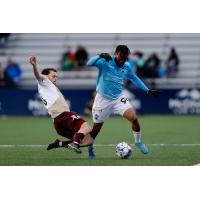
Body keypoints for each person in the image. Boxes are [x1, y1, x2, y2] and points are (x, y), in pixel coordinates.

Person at [70, 45, 160, 155]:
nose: (123, 60)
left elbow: (134, 78)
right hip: (102, 100)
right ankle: (89, 147)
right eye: (121, 57)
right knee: (95, 130)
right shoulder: (105, 61)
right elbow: (89, 63)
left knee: (134, 118)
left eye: (125, 58)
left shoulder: (126, 66)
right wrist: (99, 55)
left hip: (118, 98)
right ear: (116, 54)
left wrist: (147, 90)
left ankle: (138, 142)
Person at [29, 56, 95, 159]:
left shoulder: (50, 88)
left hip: (57, 123)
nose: (56, 78)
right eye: (53, 76)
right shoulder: (45, 82)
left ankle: (59, 144)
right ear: (46, 76)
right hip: (63, 115)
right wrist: (34, 65)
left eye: (56, 76)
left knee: (88, 140)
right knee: (86, 127)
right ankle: (75, 143)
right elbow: (38, 76)